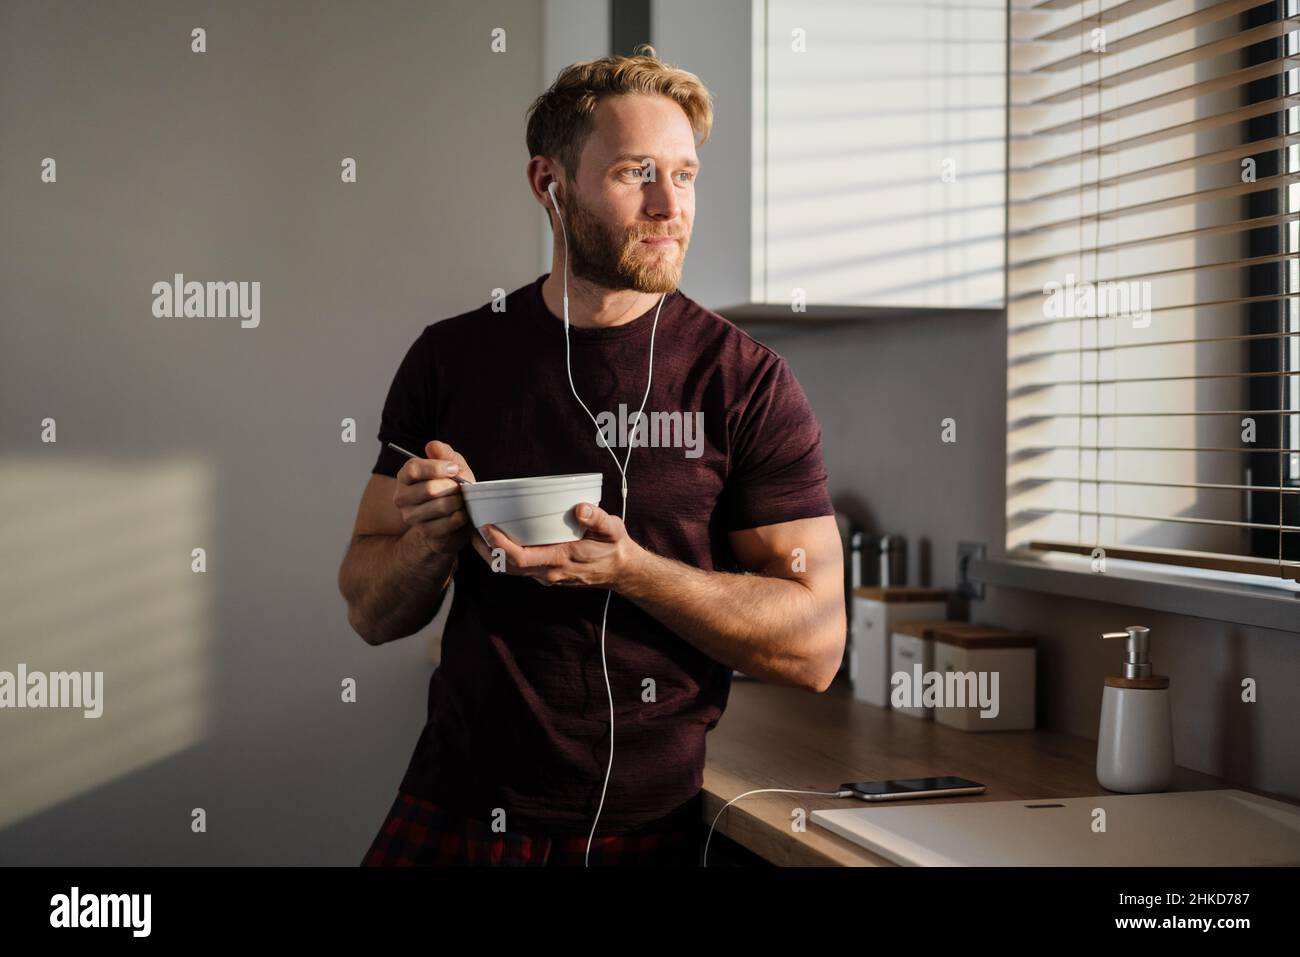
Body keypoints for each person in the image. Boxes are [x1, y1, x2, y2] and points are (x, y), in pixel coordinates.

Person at [339, 45, 845, 867]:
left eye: (684, 175)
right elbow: (368, 608)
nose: (667, 205)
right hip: (458, 806)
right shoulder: (450, 359)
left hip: (650, 830)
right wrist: (429, 540)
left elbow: (817, 644)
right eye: (636, 173)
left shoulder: (747, 382)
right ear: (551, 183)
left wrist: (633, 571)